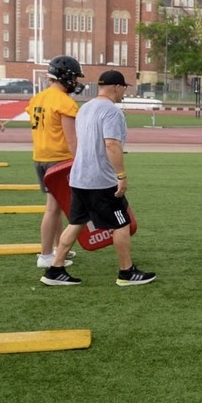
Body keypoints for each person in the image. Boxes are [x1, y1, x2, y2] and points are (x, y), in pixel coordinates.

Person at [40, 70, 156, 287]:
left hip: (78, 177)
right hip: (100, 180)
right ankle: (126, 272)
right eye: (124, 88)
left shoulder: (85, 108)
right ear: (117, 87)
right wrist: (121, 175)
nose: (124, 92)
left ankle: (55, 269)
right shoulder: (112, 112)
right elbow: (111, 144)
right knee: (122, 221)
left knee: (76, 222)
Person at [25, 55, 85, 269]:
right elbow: (71, 140)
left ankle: (60, 247)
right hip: (58, 160)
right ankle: (46, 254)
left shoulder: (38, 98)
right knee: (53, 208)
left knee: (57, 207)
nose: (76, 82)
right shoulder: (64, 102)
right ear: (65, 76)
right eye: (74, 77)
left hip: (40, 157)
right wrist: (82, 163)